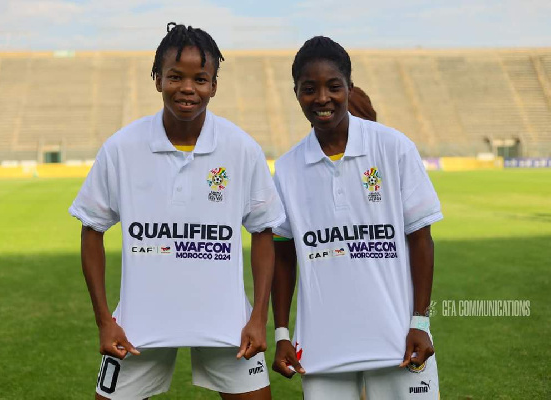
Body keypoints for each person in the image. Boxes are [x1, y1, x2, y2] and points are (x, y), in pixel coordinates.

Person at [69, 22, 284, 400]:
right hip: (138, 324)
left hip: (228, 324)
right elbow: (92, 230)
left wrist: (258, 317)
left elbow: (264, 232)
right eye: (175, 77)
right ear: (157, 79)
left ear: (214, 85)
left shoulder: (241, 148)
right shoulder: (122, 148)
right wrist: (105, 320)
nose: (188, 88)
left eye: (201, 78)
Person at [270, 36, 442, 399]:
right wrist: (282, 333)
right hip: (322, 349)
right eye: (309, 89)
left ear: (349, 87)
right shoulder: (286, 169)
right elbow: (283, 257)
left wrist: (420, 322)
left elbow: (420, 239)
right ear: (296, 92)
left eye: (334, 86)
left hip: (398, 342)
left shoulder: (393, 147)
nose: (322, 98)